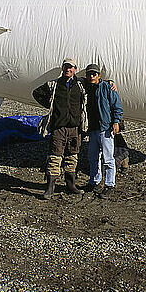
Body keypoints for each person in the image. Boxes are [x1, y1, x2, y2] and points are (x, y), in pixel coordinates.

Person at [32, 58, 88, 199]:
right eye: (66, 67)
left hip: (74, 127)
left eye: (71, 67)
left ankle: (71, 185)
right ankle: (50, 188)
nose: (68, 69)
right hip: (59, 127)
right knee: (55, 157)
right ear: (62, 69)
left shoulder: (81, 85)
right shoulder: (54, 84)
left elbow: (96, 85)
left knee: (72, 156)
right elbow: (36, 93)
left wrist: (111, 83)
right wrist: (52, 106)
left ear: (75, 69)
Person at [83, 63, 123, 199]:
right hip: (92, 128)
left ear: (99, 76)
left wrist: (116, 121)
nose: (91, 76)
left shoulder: (107, 87)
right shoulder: (85, 87)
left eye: (94, 74)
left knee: (107, 158)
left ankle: (109, 184)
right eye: (89, 74)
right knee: (92, 157)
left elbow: (116, 105)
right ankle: (94, 181)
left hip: (105, 127)